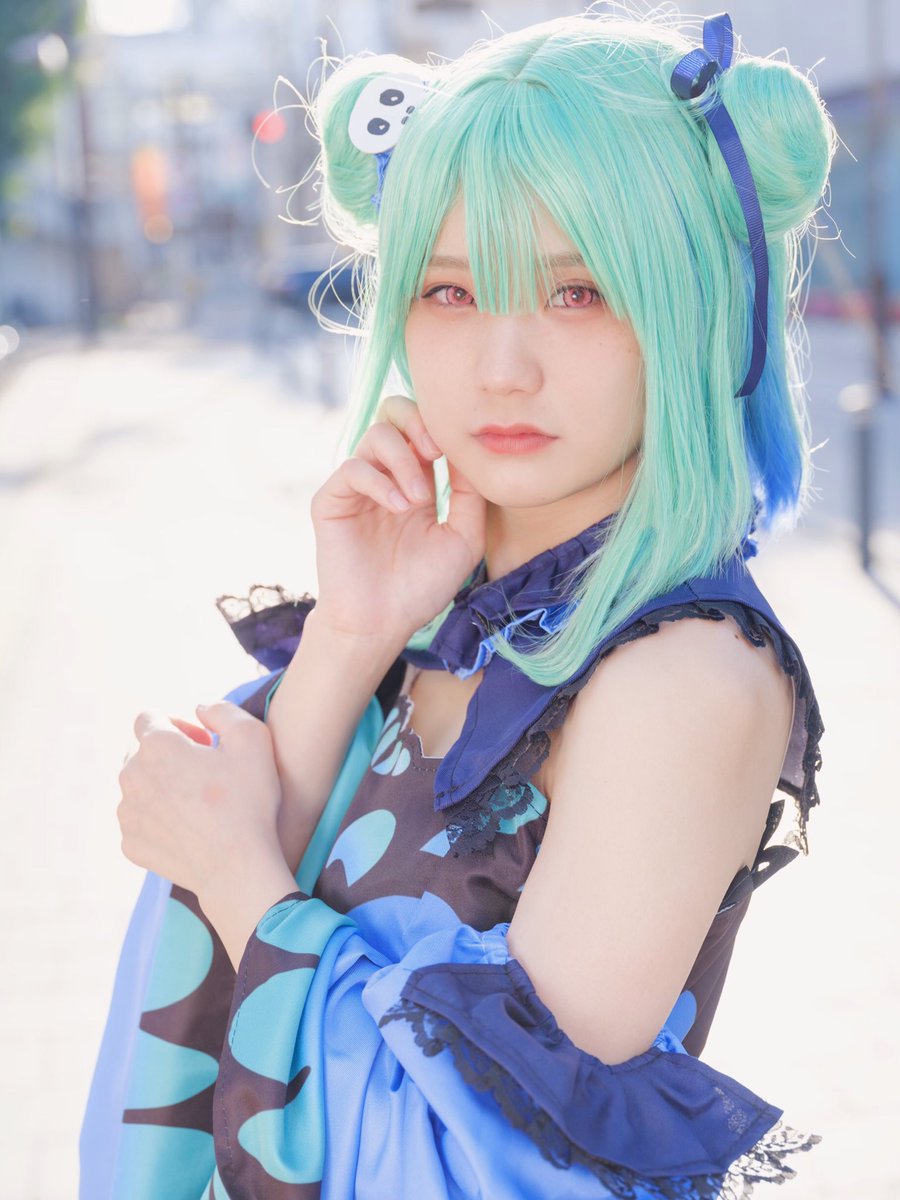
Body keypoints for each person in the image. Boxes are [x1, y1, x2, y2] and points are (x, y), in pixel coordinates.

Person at [81, 7, 836, 1198]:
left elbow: (493, 1155)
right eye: (448, 291)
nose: (501, 368)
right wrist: (355, 632)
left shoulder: (682, 678)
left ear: (691, 304)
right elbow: (247, 862)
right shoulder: (452, 615)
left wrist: (229, 869)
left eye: (579, 293)